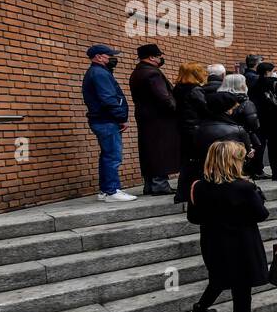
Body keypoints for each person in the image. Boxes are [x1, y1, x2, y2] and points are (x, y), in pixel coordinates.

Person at [186, 140, 269, 312]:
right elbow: (261, 214)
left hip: (214, 242)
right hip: (242, 243)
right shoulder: (244, 187)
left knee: (218, 279)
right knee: (242, 290)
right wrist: (258, 196)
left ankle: (199, 309)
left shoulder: (199, 186)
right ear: (234, 161)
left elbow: (193, 218)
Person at [176, 89, 252, 202]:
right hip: (231, 179)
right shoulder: (237, 130)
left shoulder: (198, 130)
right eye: (232, 108)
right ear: (227, 109)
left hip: (206, 176)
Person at [82, 45, 136, 202]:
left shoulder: (99, 72)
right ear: (98, 57)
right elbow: (108, 98)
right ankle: (112, 191)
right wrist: (121, 118)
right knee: (113, 156)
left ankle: (106, 191)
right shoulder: (99, 73)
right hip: (107, 121)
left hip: (103, 120)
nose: (112, 58)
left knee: (107, 156)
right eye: (109, 55)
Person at [128, 43, 178, 195]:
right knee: (159, 150)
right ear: (151, 57)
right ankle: (159, 183)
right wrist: (175, 107)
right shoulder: (152, 73)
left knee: (148, 149)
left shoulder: (137, 72)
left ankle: (150, 184)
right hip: (159, 119)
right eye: (159, 56)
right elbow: (163, 97)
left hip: (145, 117)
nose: (161, 58)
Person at [172, 63, 210, 200]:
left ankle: (183, 192)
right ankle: (196, 192)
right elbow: (205, 109)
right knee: (198, 163)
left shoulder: (177, 89)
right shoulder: (195, 90)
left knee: (187, 163)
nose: (205, 73)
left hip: (182, 129)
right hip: (195, 129)